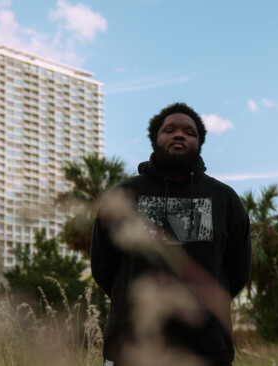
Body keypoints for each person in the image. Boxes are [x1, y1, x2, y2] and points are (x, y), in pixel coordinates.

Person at [91, 102, 251, 366]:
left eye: (190, 132)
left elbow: (238, 270)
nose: (179, 135)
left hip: (207, 350)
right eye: (170, 130)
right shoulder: (123, 195)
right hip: (132, 347)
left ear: (199, 143)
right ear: (155, 139)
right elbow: (103, 266)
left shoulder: (225, 199)